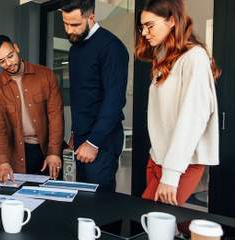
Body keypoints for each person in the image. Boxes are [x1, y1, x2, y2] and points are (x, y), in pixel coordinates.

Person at [136, 0, 220, 206]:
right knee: (163, 224)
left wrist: (171, 175)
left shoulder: (195, 57)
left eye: (150, 25)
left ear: (172, 20)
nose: (145, 33)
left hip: (181, 165)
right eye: (142, 27)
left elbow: (193, 119)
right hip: (157, 159)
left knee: (149, 219)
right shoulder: (164, 59)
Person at [61, 0, 129, 192]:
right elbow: (81, 97)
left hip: (102, 140)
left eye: (74, 24)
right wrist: (75, 133)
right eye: (65, 23)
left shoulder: (112, 47)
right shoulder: (75, 49)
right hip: (81, 137)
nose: (69, 30)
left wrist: (93, 142)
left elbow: (114, 101)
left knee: (100, 203)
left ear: (91, 17)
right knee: (82, 199)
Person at [0, 35, 64, 182]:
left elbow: (56, 116)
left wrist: (54, 152)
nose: (9, 63)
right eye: (2, 61)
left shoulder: (46, 75)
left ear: (16, 48)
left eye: (10, 56)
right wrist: (2, 161)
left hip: (47, 148)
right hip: (19, 153)